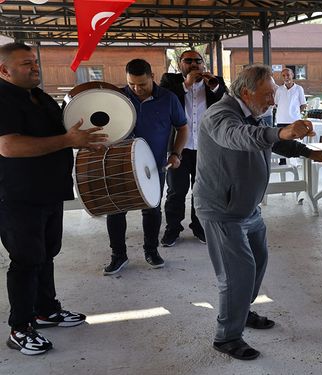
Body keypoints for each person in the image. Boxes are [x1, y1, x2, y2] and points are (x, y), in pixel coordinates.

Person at [194, 65, 322, 360]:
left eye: (274, 95)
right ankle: (227, 336)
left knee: (258, 261)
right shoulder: (221, 115)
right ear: (246, 92)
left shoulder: (254, 111)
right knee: (238, 273)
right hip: (221, 209)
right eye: (268, 94)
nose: (273, 101)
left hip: (248, 207)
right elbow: (241, 137)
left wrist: (306, 151)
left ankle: (241, 310)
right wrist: (280, 130)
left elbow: (272, 141)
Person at [0, 42, 107, 355]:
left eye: (34, 61)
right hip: (18, 195)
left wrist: (82, 140)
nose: (34, 67)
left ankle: (46, 309)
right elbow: (9, 147)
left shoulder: (40, 96)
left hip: (47, 192)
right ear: (4, 70)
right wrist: (67, 140)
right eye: (25, 63)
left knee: (47, 253)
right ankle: (20, 328)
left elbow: (62, 135)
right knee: (26, 260)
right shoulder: (3, 99)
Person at [103, 59, 188, 275]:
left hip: (154, 165)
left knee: (151, 209)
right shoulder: (117, 98)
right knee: (116, 209)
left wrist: (176, 153)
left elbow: (182, 128)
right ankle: (118, 255)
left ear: (152, 77)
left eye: (142, 84)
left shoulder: (168, 99)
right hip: (119, 164)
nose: (137, 89)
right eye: (132, 84)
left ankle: (151, 251)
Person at [159, 50, 227, 247]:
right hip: (178, 148)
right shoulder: (170, 81)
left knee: (203, 191)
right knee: (176, 191)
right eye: (188, 61)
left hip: (207, 148)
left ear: (204, 64)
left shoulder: (215, 81)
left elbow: (227, 102)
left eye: (198, 61)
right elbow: (164, 102)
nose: (193, 64)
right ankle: (173, 228)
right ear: (180, 64)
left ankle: (199, 226)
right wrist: (187, 84)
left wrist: (214, 87)